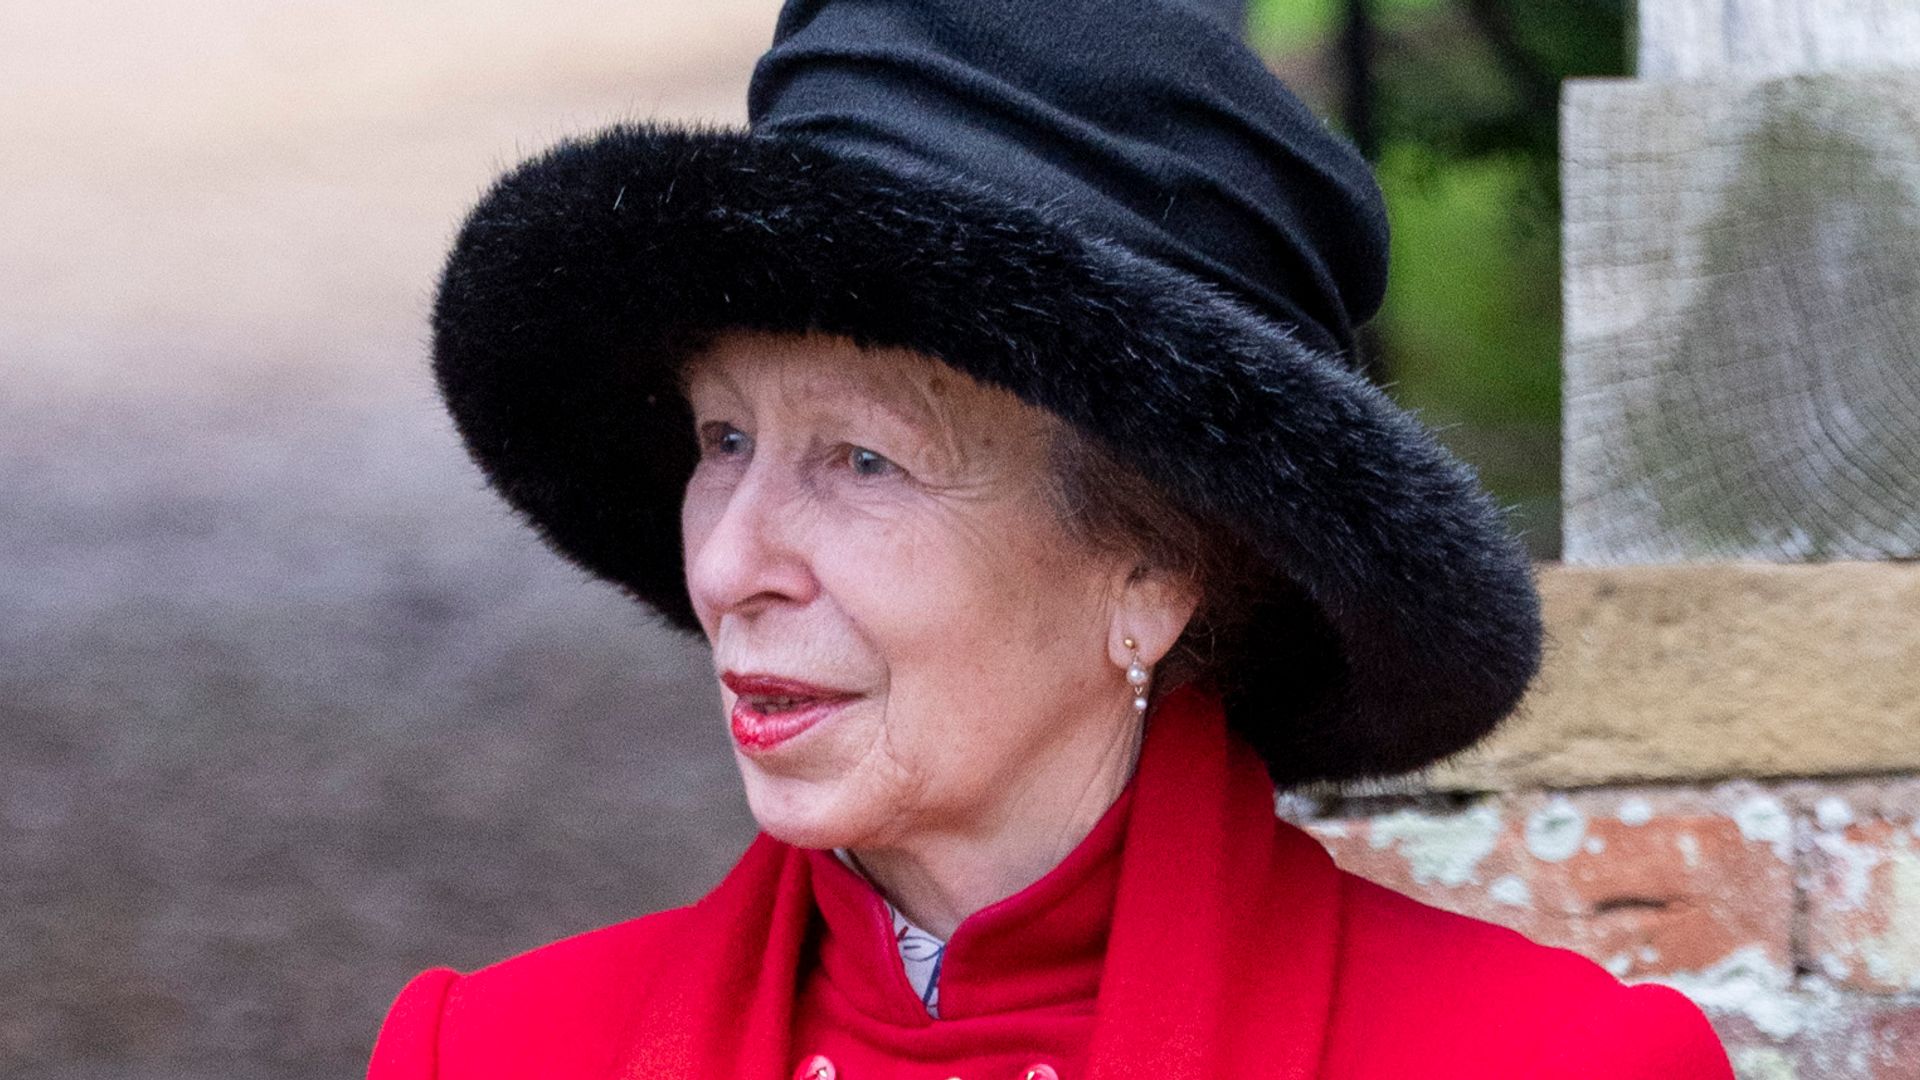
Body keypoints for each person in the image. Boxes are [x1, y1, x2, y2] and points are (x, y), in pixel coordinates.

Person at [369, 0, 1735, 1076]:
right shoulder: (488, 1054)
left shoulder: (1545, 1061)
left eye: (864, 460)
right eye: (724, 439)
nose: (728, 567)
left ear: (1157, 571)